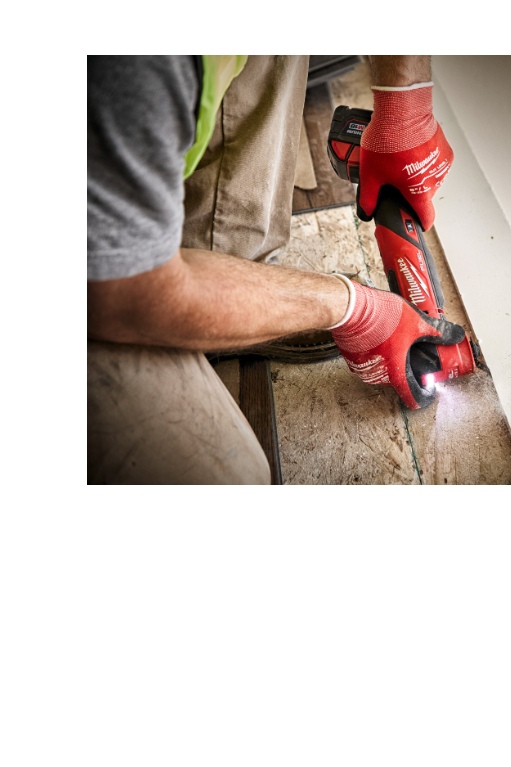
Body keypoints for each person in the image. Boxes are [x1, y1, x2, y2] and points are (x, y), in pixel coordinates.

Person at [87, 55, 461, 485]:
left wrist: (405, 105)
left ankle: (229, 273)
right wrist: (355, 309)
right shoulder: (132, 71)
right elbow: (128, 294)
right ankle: (208, 307)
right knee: (232, 478)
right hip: (100, 288)